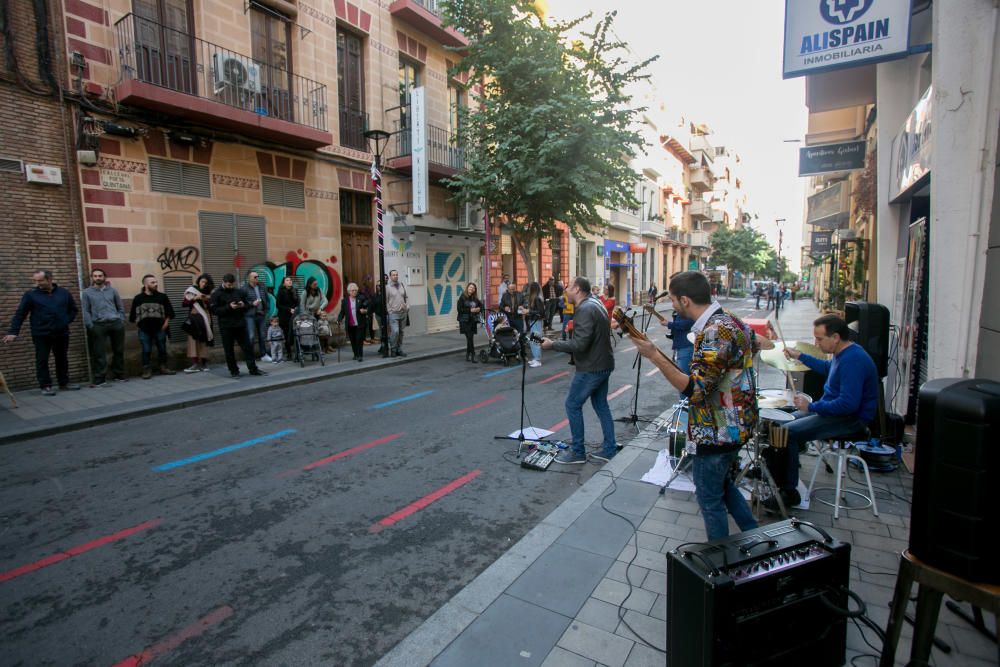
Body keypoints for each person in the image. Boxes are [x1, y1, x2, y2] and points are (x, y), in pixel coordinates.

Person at [631, 271, 758, 541]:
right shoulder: (729, 319)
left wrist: (654, 355)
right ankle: (753, 533)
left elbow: (697, 391)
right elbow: (752, 347)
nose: (673, 306)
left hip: (719, 430)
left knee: (709, 499)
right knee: (721, 485)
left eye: (675, 301)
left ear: (685, 300)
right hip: (734, 424)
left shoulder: (714, 332)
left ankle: (721, 562)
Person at [764, 314, 880, 512]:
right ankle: (783, 471)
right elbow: (828, 368)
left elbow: (848, 405)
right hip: (836, 412)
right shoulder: (843, 354)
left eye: (819, 339)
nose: (816, 343)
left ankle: (789, 491)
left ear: (835, 337)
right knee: (779, 425)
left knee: (787, 433)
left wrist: (812, 407)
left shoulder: (854, 360)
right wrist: (800, 355)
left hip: (851, 419)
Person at [540, 276, 617, 464]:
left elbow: (580, 344)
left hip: (591, 367)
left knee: (572, 405)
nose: (565, 290)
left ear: (577, 289)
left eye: (568, 287)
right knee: (601, 406)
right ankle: (609, 448)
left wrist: (552, 345)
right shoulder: (595, 302)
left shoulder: (584, 309)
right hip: (603, 363)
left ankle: (577, 453)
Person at [3, 269, 82, 395]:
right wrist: (13, 331)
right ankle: (45, 385)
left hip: (61, 332)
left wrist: (65, 321)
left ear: (50, 279)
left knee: (62, 358)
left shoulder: (63, 293)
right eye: (35, 281)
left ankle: (64, 383)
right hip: (41, 333)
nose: (37, 283)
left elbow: (73, 309)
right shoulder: (31, 294)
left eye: (40, 280)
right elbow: (20, 314)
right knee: (42, 359)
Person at [210, 273, 266, 378]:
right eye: (228, 285)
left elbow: (246, 305)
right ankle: (234, 371)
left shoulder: (238, 292)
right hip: (226, 326)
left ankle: (253, 369)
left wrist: (245, 305)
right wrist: (229, 307)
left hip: (240, 324)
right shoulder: (216, 294)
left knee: (248, 348)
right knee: (229, 350)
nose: (230, 286)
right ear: (223, 282)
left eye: (232, 285)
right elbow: (214, 310)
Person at [81, 267, 127, 385]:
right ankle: (100, 378)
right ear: (92, 278)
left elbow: (120, 307)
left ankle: (119, 374)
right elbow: (85, 311)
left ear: (104, 277)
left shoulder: (112, 291)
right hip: (98, 325)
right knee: (99, 352)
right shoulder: (87, 293)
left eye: (100, 276)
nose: (98, 278)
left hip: (115, 323)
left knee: (118, 350)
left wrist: (121, 320)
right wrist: (90, 325)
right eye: (95, 276)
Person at [128, 274, 176, 379]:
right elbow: (133, 315)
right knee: (146, 350)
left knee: (162, 349)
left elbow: (170, 312)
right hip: (144, 329)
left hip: (160, 328)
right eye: (152, 283)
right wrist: (139, 324)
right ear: (146, 284)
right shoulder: (138, 298)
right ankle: (146, 370)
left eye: (156, 282)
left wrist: (166, 323)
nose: (156, 284)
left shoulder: (162, 297)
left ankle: (163, 367)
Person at [182, 274, 214, 372]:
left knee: (204, 339)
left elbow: (213, 306)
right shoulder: (192, 290)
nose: (203, 283)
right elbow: (184, 304)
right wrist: (195, 298)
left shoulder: (210, 293)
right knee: (193, 339)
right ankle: (195, 363)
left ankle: (204, 363)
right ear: (198, 281)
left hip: (205, 317)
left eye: (206, 282)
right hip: (194, 316)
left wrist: (206, 300)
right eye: (202, 281)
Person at [242, 270, 270, 361]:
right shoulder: (244, 288)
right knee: (251, 336)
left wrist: (266, 309)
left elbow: (266, 298)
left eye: (257, 276)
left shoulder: (262, 286)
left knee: (262, 335)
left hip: (261, 314)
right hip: (250, 315)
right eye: (255, 277)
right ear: (249, 278)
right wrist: (252, 304)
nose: (257, 278)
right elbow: (243, 303)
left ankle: (263, 354)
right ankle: (250, 356)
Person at [338, 282, 369, 361]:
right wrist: (339, 319)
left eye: (355, 290)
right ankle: (355, 354)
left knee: (359, 339)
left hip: (360, 323)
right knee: (353, 340)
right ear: (348, 291)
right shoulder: (345, 301)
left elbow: (368, 304)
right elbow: (342, 312)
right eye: (352, 290)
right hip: (350, 324)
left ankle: (360, 355)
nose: (354, 292)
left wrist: (365, 310)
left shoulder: (361, 298)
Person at [457, 282, 484, 362]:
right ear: (467, 288)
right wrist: (470, 310)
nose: (471, 289)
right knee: (469, 338)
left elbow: (481, 306)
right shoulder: (462, 297)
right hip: (464, 321)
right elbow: (459, 309)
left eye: (473, 288)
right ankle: (473, 355)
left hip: (472, 321)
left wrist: (479, 309)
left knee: (470, 338)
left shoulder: (475, 298)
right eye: (470, 287)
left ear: (475, 290)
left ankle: (468, 355)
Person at [386, 269, 409, 357]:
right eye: (393, 275)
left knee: (401, 332)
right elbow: (386, 300)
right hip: (393, 313)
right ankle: (393, 349)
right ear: (390, 276)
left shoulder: (401, 285)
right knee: (395, 331)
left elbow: (406, 297)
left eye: (396, 274)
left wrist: (407, 306)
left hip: (403, 312)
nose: (395, 276)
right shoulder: (387, 287)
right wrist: (389, 310)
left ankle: (399, 349)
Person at [275, 276, 298, 356]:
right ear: (284, 283)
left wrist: (296, 308)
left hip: (293, 316)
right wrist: (289, 309)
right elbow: (278, 305)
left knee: (294, 333)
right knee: (286, 333)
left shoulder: (294, 291)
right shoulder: (281, 292)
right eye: (287, 280)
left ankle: (297, 352)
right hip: (284, 316)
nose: (289, 281)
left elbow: (297, 302)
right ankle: (289, 353)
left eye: (290, 280)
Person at [525, 281, 545, 367]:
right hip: (535, 321)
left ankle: (537, 360)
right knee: (533, 340)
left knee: (535, 340)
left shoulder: (537, 298)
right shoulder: (536, 298)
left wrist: (529, 311)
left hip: (537, 321)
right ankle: (536, 358)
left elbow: (541, 312)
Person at [360, 275, 376, 342]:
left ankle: (372, 338)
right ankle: (364, 339)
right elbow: (364, 299)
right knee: (365, 325)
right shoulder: (364, 289)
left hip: (370, 308)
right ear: (366, 281)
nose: (371, 281)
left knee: (371, 324)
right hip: (365, 308)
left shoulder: (369, 288)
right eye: (369, 280)